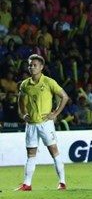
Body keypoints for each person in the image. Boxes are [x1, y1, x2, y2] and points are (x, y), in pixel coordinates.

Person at [16, 54, 70, 191]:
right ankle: (27, 184)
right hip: (31, 125)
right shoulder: (25, 84)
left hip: (45, 123)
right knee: (31, 154)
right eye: (30, 65)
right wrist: (23, 114)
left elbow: (64, 96)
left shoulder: (48, 82)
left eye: (34, 65)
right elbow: (21, 100)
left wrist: (55, 113)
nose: (31, 67)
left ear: (41, 67)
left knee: (54, 151)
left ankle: (62, 182)